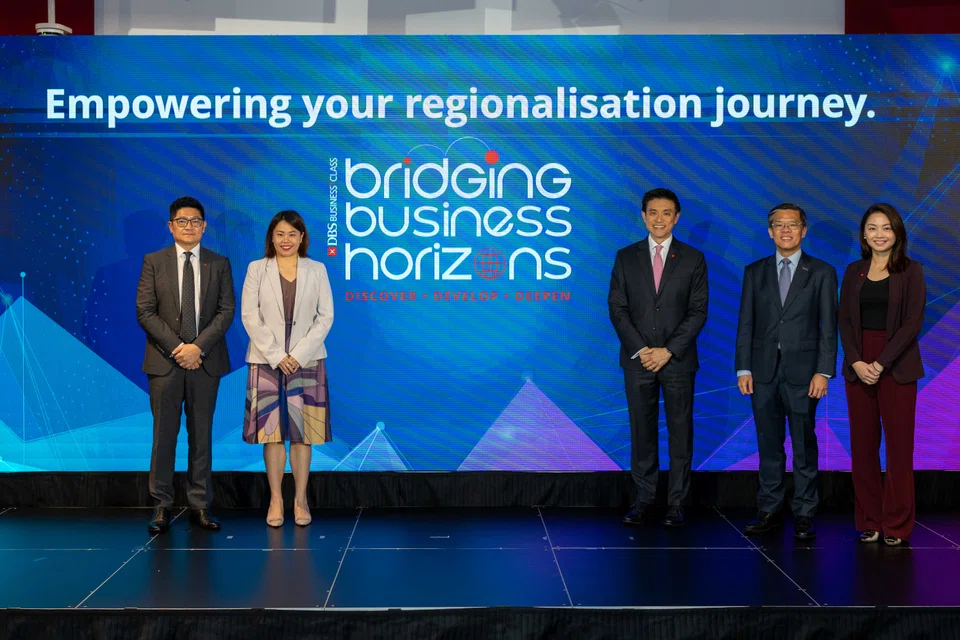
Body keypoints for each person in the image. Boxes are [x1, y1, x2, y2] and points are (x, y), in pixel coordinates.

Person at [735, 203, 837, 540]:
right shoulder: (755, 271)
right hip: (762, 372)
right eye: (779, 224)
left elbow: (828, 327)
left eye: (792, 224)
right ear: (770, 231)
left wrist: (823, 371)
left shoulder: (821, 272)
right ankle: (769, 510)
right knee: (768, 444)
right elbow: (745, 323)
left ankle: (805, 512)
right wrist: (743, 367)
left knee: (804, 445)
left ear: (803, 230)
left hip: (804, 373)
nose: (786, 230)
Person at [608, 188, 709, 527]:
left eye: (667, 213)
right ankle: (644, 499)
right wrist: (642, 350)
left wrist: (667, 350)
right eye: (653, 212)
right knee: (642, 431)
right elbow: (618, 309)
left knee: (681, 432)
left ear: (677, 217)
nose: (660, 219)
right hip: (637, 360)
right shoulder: (626, 257)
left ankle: (676, 503)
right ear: (643, 216)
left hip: (677, 360)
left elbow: (697, 312)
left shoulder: (693, 258)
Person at [136, 196, 235, 534]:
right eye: (182, 221)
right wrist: (180, 348)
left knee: (201, 438)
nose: (189, 226)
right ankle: (161, 507)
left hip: (205, 364)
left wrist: (198, 349)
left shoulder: (219, 263)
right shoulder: (153, 261)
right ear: (171, 226)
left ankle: (200, 506)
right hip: (165, 363)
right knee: (164, 438)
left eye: (195, 221)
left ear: (204, 226)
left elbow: (226, 312)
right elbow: (145, 311)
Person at [241, 210, 334, 528]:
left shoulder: (317, 269)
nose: (286, 240)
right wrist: (277, 355)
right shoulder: (257, 269)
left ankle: (301, 500)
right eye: (280, 234)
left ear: (302, 238)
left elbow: (326, 317)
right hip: (266, 362)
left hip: (307, 362)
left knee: (303, 434)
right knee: (273, 434)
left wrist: (299, 353)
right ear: (271, 237)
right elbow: (249, 315)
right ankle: (276, 500)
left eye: (292, 234)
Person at [839, 203, 925, 546]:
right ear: (864, 234)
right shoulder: (853, 271)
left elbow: (912, 322)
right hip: (859, 365)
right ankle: (870, 520)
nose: (879, 234)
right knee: (862, 448)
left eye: (886, 228)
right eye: (872, 228)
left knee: (899, 448)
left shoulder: (912, 271)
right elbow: (844, 319)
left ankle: (897, 524)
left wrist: (881, 363)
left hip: (897, 365)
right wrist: (858, 362)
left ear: (898, 233)